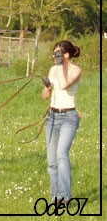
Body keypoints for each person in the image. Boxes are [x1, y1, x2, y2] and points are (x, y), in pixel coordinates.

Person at [41, 40, 82, 204]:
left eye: (57, 53)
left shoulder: (75, 70)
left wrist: (59, 67)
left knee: (61, 154)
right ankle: (56, 196)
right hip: (52, 116)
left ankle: (65, 197)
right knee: (51, 160)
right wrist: (47, 86)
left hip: (69, 117)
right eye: (54, 53)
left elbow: (64, 85)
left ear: (66, 55)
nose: (54, 56)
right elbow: (45, 96)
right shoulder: (53, 69)